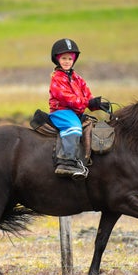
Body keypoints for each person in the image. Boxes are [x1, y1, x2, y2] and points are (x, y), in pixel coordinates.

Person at [48, 38, 110, 179]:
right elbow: (67, 98)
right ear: (57, 60)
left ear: (74, 60)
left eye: (70, 58)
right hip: (61, 111)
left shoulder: (77, 78)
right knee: (74, 128)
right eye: (63, 58)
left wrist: (96, 104)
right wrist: (87, 103)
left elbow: (87, 94)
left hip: (75, 112)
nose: (67, 61)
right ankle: (66, 161)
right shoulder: (57, 78)